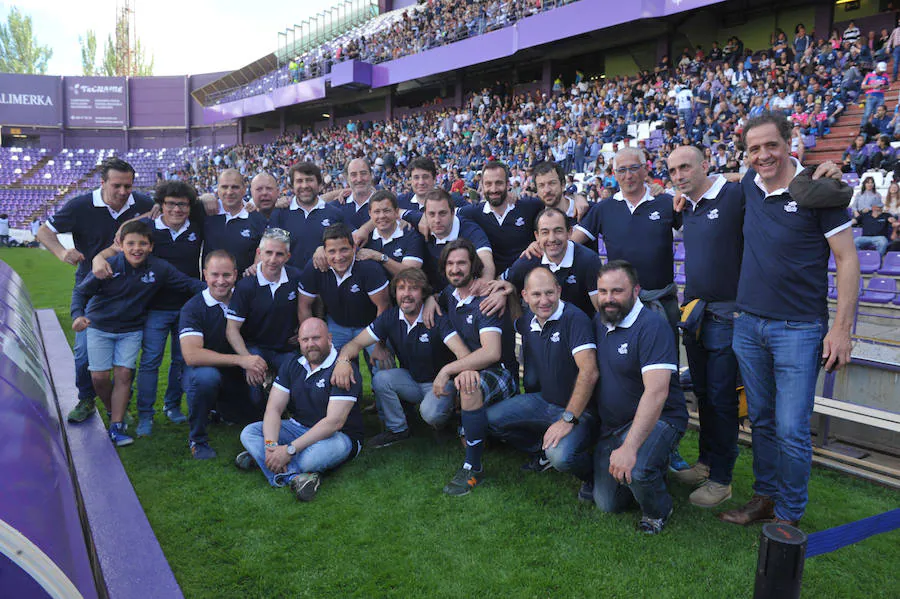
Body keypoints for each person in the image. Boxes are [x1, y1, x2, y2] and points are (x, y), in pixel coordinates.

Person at [719, 112, 858, 527]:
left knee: (791, 428)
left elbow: (848, 261)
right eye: (754, 148)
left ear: (789, 141)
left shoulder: (819, 190)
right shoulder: (748, 183)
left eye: (771, 145)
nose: (763, 155)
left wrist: (841, 329)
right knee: (760, 419)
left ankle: (789, 514)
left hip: (798, 329)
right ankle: (765, 497)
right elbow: (726, 179)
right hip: (749, 324)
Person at [37, 157, 154, 424]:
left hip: (133, 288)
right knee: (84, 351)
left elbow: (169, 209)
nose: (124, 192)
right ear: (102, 183)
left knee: (129, 353)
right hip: (92, 288)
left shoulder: (144, 204)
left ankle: (121, 403)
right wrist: (61, 251)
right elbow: (44, 232)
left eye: (128, 186)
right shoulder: (80, 206)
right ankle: (87, 398)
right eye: (117, 186)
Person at [70, 220, 205, 447]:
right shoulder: (108, 266)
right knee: (99, 378)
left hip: (131, 331)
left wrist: (220, 287)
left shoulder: (159, 268)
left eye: (142, 243)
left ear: (151, 246)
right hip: (99, 328)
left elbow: (187, 284)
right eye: (130, 243)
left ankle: (117, 425)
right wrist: (77, 315)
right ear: (121, 245)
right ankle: (115, 409)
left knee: (124, 375)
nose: (137, 248)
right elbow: (81, 292)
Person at [666, 146, 743, 508]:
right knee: (704, 394)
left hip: (728, 315)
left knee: (723, 398)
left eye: (685, 167)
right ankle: (706, 462)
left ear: (705, 165)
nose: (679, 174)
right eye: (673, 170)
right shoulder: (687, 207)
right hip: (695, 314)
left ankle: (723, 480)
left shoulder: (734, 194)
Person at [591, 260, 687, 535]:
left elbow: (657, 393)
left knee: (639, 468)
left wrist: (631, 448)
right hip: (614, 425)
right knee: (607, 503)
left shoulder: (653, 327)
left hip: (661, 418)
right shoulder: (599, 320)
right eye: (603, 291)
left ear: (636, 291)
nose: (609, 299)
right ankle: (651, 470)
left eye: (617, 291)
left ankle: (658, 509)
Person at [486, 268, 598, 496]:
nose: (544, 301)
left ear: (559, 290)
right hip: (545, 401)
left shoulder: (575, 319)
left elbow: (590, 371)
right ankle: (541, 451)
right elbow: (519, 321)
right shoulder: (530, 320)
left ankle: (592, 474)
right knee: (489, 420)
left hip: (580, 411)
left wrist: (568, 419)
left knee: (562, 456)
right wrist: (510, 295)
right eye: (536, 295)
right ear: (526, 296)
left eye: (549, 293)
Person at [331, 267, 471, 447]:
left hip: (441, 383)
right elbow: (355, 344)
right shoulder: (390, 317)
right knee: (381, 378)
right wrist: (343, 361)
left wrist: (448, 374)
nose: (407, 294)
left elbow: (463, 353)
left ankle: (449, 419)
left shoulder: (436, 318)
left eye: (413, 288)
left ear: (423, 293)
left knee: (430, 414)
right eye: (401, 288)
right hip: (412, 380)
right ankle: (398, 430)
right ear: (395, 292)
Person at [235, 318, 364, 502]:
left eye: (316, 338)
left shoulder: (343, 370)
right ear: (299, 342)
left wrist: (288, 451)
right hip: (298, 428)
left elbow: (334, 422)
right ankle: (294, 477)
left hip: (339, 436)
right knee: (249, 433)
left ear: (329, 338)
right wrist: (271, 446)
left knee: (309, 460)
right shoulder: (293, 363)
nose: (310, 344)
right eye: (305, 340)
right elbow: (274, 408)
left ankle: (264, 461)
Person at [434, 239, 519, 496]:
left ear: (473, 266)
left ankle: (473, 468)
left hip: (500, 371)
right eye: (450, 263)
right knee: (469, 435)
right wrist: (430, 300)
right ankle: (491, 434)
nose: (455, 269)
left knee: (468, 385)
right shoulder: (449, 294)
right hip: (475, 368)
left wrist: (448, 369)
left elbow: (491, 352)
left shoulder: (484, 298)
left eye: (461, 263)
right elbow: (438, 303)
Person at [179, 250, 268, 459]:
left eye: (226, 275)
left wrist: (254, 360)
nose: (221, 281)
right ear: (205, 275)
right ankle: (198, 439)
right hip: (204, 371)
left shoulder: (244, 298)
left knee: (245, 414)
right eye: (214, 275)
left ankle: (229, 411)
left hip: (237, 373)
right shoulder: (193, 308)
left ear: (235, 274)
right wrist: (242, 360)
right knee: (206, 378)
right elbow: (191, 355)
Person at [225, 228, 303, 406]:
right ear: (259, 253)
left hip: (286, 348)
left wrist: (304, 329)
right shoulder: (245, 285)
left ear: (288, 256)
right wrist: (247, 359)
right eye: (268, 253)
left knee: (295, 384)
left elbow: (314, 302)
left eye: (279, 254)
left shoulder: (297, 277)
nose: (273, 260)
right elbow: (232, 329)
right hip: (255, 347)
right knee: (255, 401)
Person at [297, 223, 391, 365]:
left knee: (384, 368)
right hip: (337, 324)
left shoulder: (369, 267)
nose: (338, 257)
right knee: (326, 367)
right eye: (332, 251)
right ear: (324, 251)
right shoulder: (315, 267)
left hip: (371, 325)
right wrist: (309, 337)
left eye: (344, 250)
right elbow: (304, 306)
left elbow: (384, 307)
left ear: (354, 248)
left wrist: (380, 344)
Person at [489, 207, 602, 317]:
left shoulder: (588, 260)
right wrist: (502, 292)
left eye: (558, 231)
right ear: (537, 236)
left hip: (579, 331)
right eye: (545, 232)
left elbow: (601, 309)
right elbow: (502, 280)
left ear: (569, 232)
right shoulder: (530, 259)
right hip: (541, 330)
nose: (552, 238)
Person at [457, 161, 545, 275]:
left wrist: (576, 200)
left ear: (508, 184)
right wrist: (425, 220)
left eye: (499, 183)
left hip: (528, 281)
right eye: (488, 184)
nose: (494, 189)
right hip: (491, 285)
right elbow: (444, 210)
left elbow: (556, 205)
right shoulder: (472, 213)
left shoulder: (530, 206)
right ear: (482, 186)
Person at [411, 188, 494, 292]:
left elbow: (485, 257)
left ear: (453, 212)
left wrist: (485, 280)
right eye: (432, 214)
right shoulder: (417, 223)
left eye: (442, 213)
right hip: (432, 295)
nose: (437, 220)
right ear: (424, 215)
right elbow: (397, 211)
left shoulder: (470, 230)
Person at [269, 162, 344, 269]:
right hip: (291, 282)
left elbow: (349, 245)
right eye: (299, 181)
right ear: (292, 186)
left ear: (320, 185)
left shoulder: (335, 213)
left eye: (309, 180)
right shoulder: (279, 214)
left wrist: (326, 248)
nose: (304, 186)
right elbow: (271, 251)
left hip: (327, 281)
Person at [203, 169, 268, 274]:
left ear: (244, 189)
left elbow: (267, 249)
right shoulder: (206, 213)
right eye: (224, 187)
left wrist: (258, 265)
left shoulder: (257, 219)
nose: (229, 192)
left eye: (235, 187)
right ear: (217, 189)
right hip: (210, 287)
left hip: (244, 287)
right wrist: (203, 198)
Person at [358, 190, 426, 277]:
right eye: (377, 212)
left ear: (396, 211)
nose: (382, 216)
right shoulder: (365, 237)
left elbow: (411, 275)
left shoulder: (411, 235)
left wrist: (380, 257)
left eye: (386, 211)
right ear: (370, 214)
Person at [860, 62, 889, 126]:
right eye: (880, 70)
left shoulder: (885, 75)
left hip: (880, 96)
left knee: (879, 114)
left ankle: (875, 127)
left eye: (882, 71)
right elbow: (862, 86)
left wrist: (883, 87)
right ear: (877, 68)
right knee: (868, 113)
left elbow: (888, 86)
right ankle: (863, 127)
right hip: (871, 96)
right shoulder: (869, 75)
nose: (881, 72)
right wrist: (873, 86)